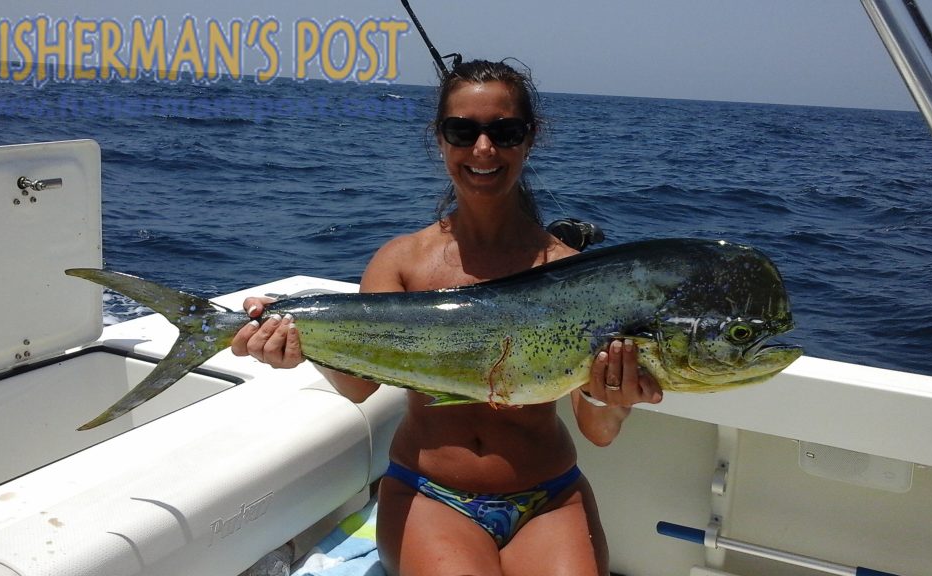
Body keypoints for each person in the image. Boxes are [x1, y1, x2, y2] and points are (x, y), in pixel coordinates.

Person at [231, 59, 663, 576]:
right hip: (431, 496)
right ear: (440, 138)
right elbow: (357, 388)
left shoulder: (572, 275)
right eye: (463, 130)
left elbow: (598, 430)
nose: (484, 150)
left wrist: (611, 399)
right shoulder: (402, 260)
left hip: (549, 498)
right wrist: (295, 348)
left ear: (530, 138)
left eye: (505, 132)